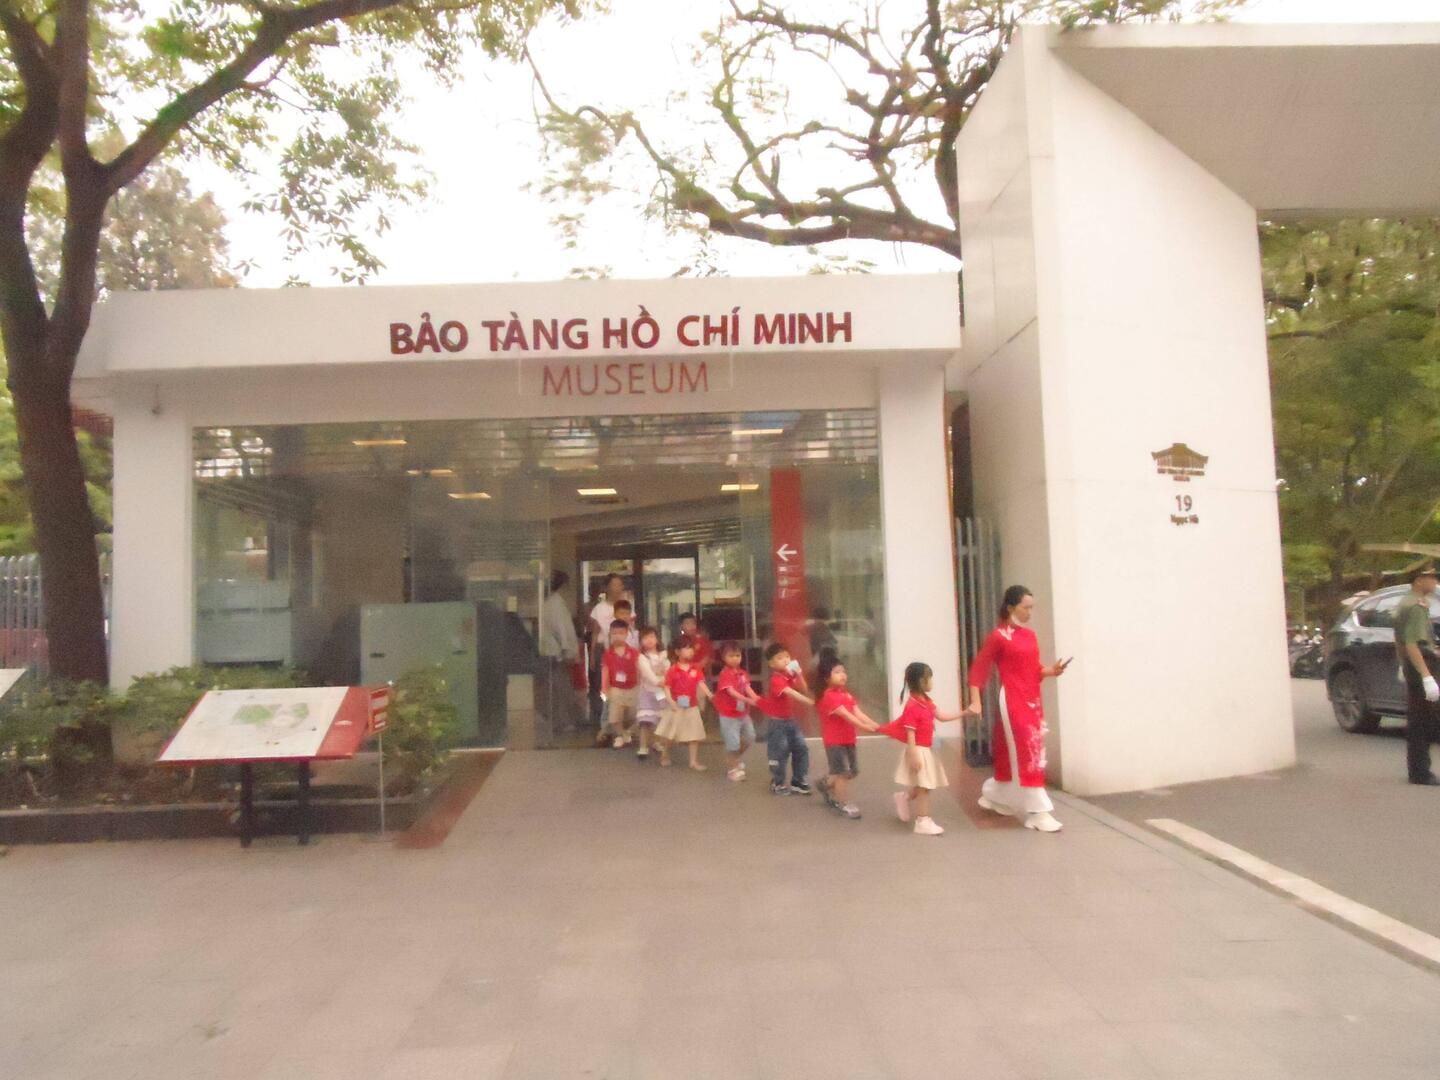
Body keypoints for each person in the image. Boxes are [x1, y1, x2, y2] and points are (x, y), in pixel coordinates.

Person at [965, 585, 1071, 832]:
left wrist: (1051, 671)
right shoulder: (999, 636)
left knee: (1025, 749)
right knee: (1028, 751)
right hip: (1012, 699)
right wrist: (976, 700)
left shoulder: (1030, 636)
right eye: (1026, 607)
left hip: (1032, 700)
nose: (1030, 612)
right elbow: (979, 668)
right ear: (1011, 607)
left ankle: (998, 794)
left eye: (1032, 607)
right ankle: (1038, 812)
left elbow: (1033, 669)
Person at [886, 661, 960, 836]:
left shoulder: (926, 701)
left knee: (927, 784)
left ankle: (904, 797)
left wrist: (964, 713)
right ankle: (923, 821)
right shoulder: (913, 705)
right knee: (925, 787)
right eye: (929, 678)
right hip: (918, 750)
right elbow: (910, 732)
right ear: (921, 681)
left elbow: (941, 716)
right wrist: (913, 755)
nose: (932, 681)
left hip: (926, 749)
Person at [815, 656, 878, 819]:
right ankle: (843, 804)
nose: (842, 675)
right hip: (834, 742)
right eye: (837, 672)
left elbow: (858, 712)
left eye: (843, 671)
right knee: (843, 773)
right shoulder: (829, 696)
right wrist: (865, 727)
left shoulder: (846, 695)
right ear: (826, 678)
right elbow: (847, 716)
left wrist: (876, 726)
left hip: (849, 740)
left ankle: (825, 783)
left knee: (852, 771)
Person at [1397, 564, 1440, 785]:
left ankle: (1418, 770)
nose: (1435, 582)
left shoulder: (1406, 602)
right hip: (1422, 664)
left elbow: (1399, 639)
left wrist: (1401, 663)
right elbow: (1412, 643)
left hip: (1414, 664)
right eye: (1432, 577)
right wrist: (1426, 676)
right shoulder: (1416, 606)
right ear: (1419, 580)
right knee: (1423, 721)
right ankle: (1420, 772)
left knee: (1418, 720)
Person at [760, 642, 815, 796]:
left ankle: (798, 780)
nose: (785, 660)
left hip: (790, 721)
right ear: (771, 664)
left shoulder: (789, 676)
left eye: (787, 657)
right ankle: (777, 782)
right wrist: (810, 702)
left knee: (801, 748)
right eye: (780, 658)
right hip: (777, 724)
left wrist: (799, 673)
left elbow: (803, 688)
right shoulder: (776, 679)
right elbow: (791, 692)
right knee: (779, 753)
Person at [656, 636, 712, 770]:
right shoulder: (672, 670)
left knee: (695, 734)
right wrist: (671, 701)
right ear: (677, 652)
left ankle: (693, 761)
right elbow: (667, 687)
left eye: (691, 648)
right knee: (671, 734)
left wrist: (710, 695)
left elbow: (701, 683)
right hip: (676, 706)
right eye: (686, 648)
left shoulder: (696, 668)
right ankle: (665, 754)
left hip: (692, 706)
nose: (690, 651)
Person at [537, 570, 581, 738]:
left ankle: (557, 720)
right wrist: (568, 650)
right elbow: (562, 629)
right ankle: (563, 721)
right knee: (560, 688)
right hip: (557, 653)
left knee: (555, 688)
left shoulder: (550, 603)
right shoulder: (555, 603)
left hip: (552, 651)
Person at [588, 574, 630, 742]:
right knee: (606, 688)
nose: (617, 588)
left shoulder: (627, 606)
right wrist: (592, 655)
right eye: (614, 584)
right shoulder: (599, 609)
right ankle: (605, 725)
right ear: (607, 587)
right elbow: (595, 633)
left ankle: (621, 724)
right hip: (605, 650)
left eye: (620, 584)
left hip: (625, 653)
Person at [714, 641, 760, 782]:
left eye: (738, 655)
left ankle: (733, 760)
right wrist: (748, 700)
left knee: (750, 737)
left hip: (743, 713)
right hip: (729, 714)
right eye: (731, 656)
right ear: (723, 657)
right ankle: (733, 769)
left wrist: (757, 698)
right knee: (733, 744)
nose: (735, 658)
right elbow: (731, 692)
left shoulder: (742, 673)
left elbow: (747, 688)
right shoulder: (725, 674)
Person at [600, 619, 640, 749]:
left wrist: (641, 686)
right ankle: (620, 735)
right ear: (610, 634)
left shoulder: (634, 652)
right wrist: (604, 688)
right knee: (614, 717)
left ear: (627, 633)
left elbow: (639, 669)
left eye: (621, 633)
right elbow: (605, 671)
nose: (617, 636)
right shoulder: (607, 654)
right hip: (615, 688)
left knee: (635, 715)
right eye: (614, 633)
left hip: (633, 687)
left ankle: (627, 733)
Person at [634, 626, 670, 760]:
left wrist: (664, 680)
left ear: (657, 639)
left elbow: (668, 670)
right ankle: (643, 746)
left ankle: (657, 742)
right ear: (641, 641)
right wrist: (658, 681)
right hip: (647, 692)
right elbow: (647, 673)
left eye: (652, 637)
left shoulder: (664, 656)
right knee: (645, 721)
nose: (649, 640)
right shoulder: (642, 657)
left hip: (660, 692)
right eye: (645, 638)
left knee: (660, 719)